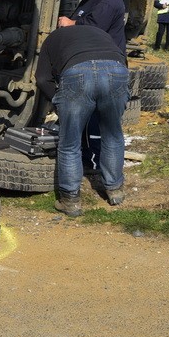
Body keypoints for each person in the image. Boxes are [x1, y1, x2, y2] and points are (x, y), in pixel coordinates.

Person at [36, 25, 130, 216]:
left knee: (70, 142)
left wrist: (58, 100)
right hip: (116, 71)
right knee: (112, 135)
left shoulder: (52, 38)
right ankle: (115, 191)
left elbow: (42, 78)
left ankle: (70, 201)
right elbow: (123, 60)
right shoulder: (101, 32)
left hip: (77, 73)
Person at [57, 0, 127, 175]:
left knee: (101, 123)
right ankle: (90, 161)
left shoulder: (107, 1)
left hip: (104, 67)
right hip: (93, 65)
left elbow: (94, 29)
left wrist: (71, 24)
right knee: (89, 121)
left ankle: (95, 164)